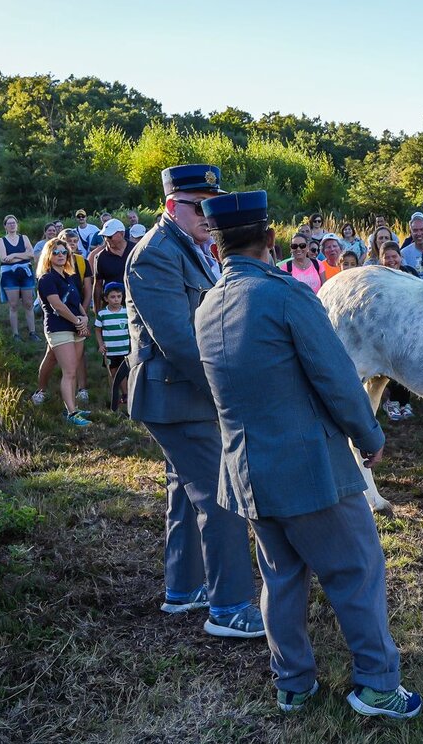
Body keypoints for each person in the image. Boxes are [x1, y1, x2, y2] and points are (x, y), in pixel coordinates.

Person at [194, 190, 422, 718]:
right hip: (307, 467)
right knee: (357, 568)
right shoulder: (287, 296)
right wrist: (369, 435)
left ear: (219, 247)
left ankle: (293, 683)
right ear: (270, 239)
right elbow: (338, 378)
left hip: (247, 472)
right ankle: (378, 685)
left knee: (280, 577)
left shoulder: (207, 305)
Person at [125, 164, 263, 638]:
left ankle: (183, 589)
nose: (208, 213)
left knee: (186, 492)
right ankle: (230, 607)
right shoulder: (156, 255)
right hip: (175, 394)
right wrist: (227, 393)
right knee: (219, 496)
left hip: (183, 394)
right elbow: (181, 341)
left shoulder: (195, 247)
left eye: (211, 203)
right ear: (171, 206)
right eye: (196, 204)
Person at [32, 230, 93, 405]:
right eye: (56, 252)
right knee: (67, 369)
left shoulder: (69, 277)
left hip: (76, 326)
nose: (60, 255)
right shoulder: (46, 278)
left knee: (62, 363)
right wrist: (78, 322)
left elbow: (76, 301)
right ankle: (45, 393)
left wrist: (84, 318)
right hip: (59, 326)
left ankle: (72, 404)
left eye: (63, 252)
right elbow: (57, 305)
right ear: (48, 256)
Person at [379, 242, 419, 420]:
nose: (391, 260)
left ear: (400, 257)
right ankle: (391, 401)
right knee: (391, 364)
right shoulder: (379, 276)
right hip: (388, 327)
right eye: (387, 257)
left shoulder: (410, 273)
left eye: (394, 256)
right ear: (381, 260)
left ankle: (405, 402)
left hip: (409, 326)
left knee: (406, 364)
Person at [0, 214, 39, 341]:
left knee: (28, 303)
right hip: (9, 275)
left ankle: (32, 333)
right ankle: (16, 334)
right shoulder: (1, 240)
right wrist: (23, 256)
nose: (12, 225)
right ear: (5, 226)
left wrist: (14, 254)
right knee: (14, 305)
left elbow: (31, 254)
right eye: (9, 223)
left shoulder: (24, 238)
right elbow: (4, 259)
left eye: (14, 223)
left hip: (25, 273)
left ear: (17, 224)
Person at [94, 281, 131, 409]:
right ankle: (117, 395)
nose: (116, 300)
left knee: (124, 373)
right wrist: (101, 344)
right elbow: (98, 330)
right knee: (113, 374)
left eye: (119, 296)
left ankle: (126, 394)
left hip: (125, 349)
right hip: (110, 351)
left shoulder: (127, 312)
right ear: (106, 298)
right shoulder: (102, 314)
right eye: (113, 297)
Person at [92, 219, 134, 311]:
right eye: (104, 236)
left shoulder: (135, 250)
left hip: (136, 304)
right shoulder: (100, 257)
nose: (106, 239)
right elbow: (97, 284)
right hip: (111, 309)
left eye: (110, 236)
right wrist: (97, 310)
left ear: (122, 234)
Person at [400, 215, 423, 279]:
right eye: (415, 230)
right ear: (411, 232)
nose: (419, 233)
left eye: (422, 229)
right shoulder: (404, 254)